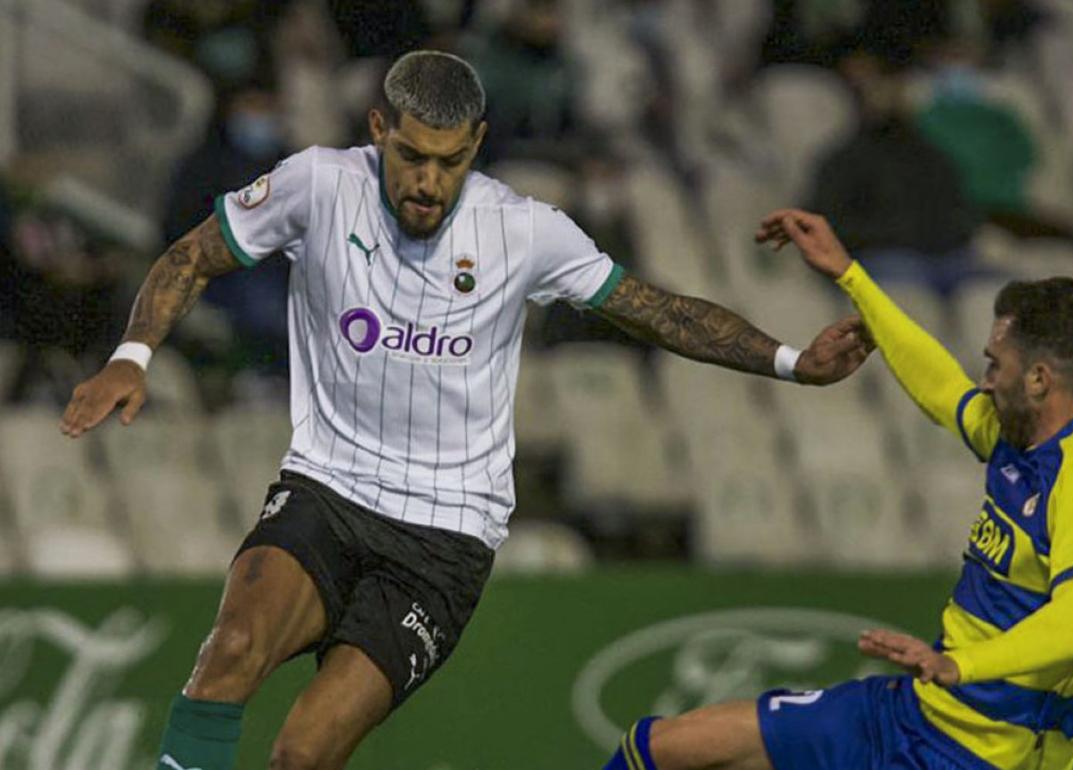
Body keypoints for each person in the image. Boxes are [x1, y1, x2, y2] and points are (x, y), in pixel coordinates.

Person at [57, 52, 873, 770]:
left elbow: (655, 310)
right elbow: (193, 254)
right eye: (410, 155)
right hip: (326, 490)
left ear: (475, 145)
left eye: (448, 163)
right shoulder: (316, 185)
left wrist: (795, 363)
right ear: (378, 128)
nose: (426, 182)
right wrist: (133, 357)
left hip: (444, 540)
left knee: (303, 754)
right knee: (229, 652)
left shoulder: (524, 231)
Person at [600, 208, 1073, 770]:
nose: (984, 381)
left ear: (1039, 380)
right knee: (660, 749)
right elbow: (942, 389)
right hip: (913, 712)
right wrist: (849, 276)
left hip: (983, 756)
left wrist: (963, 665)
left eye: (995, 365)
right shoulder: (1026, 437)